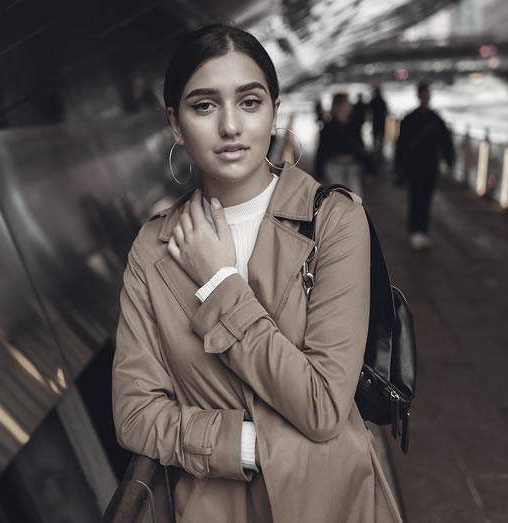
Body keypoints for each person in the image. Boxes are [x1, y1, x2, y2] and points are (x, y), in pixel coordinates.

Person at [112, 24, 404, 523]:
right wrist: (248, 446)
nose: (230, 126)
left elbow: (322, 405)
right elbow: (136, 415)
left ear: (274, 112)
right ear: (176, 125)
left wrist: (220, 282)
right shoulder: (154, 248)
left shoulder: (333, 220)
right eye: (204, 106)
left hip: (333, 503)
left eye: (249, 102)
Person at [394, 81, 455, 251]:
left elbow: (446, 144)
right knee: (416, 198)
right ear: (420, 96)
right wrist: (398, 168)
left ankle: (421, 232)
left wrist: (450, 164)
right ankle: (415, 232)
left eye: (428, 95)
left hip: (430, 167)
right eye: (425, 94)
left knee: (426, 199)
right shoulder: (428, 120)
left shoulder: (428, 120)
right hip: (414, 167)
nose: (427, 98)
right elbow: (401, 146)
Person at [314, 93, 366, 193]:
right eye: (347, 103)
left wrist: (369, 167)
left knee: (355, 198)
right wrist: (318, 173)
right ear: (339, 105)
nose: (350, 105)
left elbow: (360, 146)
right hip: (334, 166)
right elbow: (321, 150)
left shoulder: (354, 125)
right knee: (339, 197)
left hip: (353, 166)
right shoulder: (328, 127)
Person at [368, 85, 389, 156]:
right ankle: (380, 150)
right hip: (381, 121)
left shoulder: (373, 101)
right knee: (381, 136)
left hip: (375, 121)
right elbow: (386, 112)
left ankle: (376, 150)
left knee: (375, 136)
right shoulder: (382, 101)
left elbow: (368, 110)